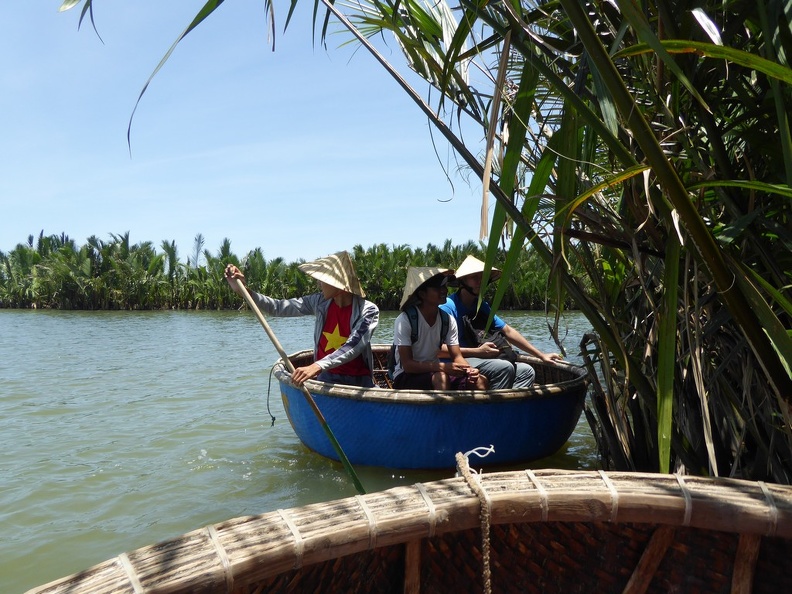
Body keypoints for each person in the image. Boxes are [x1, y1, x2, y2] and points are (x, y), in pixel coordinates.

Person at [224, 251, 379, 388]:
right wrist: (243, 290)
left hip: (359, 380)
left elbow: (353, 345)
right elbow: (278, 307)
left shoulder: (368, 310)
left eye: (323, 279)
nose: (318, 283)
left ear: (338, 284)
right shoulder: (319, 302)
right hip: (327, 376)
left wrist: (316, 366)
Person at [440, 255, 562, 389]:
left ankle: (510, 406)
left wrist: (541, 355)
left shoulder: (482, 306)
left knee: (526, 371)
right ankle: (495, 407)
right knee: (504, 367)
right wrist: (477, 352)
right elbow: (438, 350)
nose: (480, 281)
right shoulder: (448, 308)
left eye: (482, 277)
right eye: (475, 278)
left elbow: (508, 331)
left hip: (480, 357)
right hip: (456, 361)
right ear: (462, 281)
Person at [391, 266, 488, 390]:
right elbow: (408, 365)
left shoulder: (447, 320)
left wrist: (470, 370)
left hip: (436, 372)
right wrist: (443, 367)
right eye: (437, 288)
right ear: (422, 294)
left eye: (444, 286)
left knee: (480, 381)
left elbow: (457, 356)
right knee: (441, 378)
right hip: (406, 376)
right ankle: (441, 409)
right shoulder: (405, 320)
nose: (444, 290)